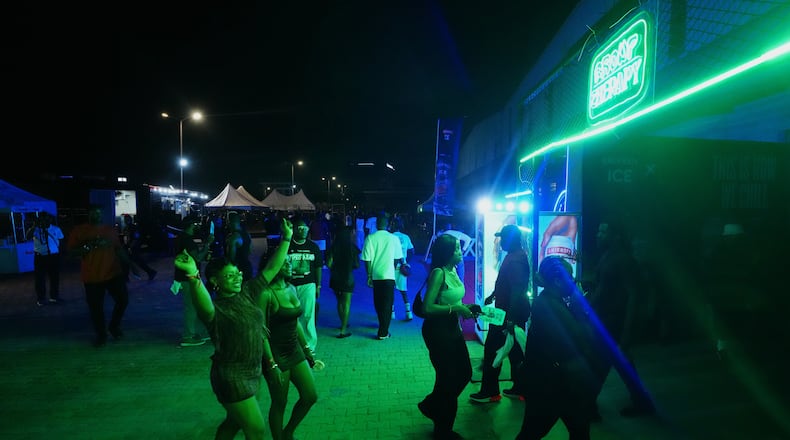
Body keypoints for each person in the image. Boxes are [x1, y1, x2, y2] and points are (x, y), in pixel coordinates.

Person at [173, 217, 292, 440]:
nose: (237, 278)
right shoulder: (217, 310)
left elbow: (272, 268)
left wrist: (287, 238)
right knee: (256, 429)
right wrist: (193, 274)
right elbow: (204, 304)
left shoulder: (247, 293)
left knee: (234, 422)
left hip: (252, 371)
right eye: (229, 276)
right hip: (231, 377)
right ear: (215, 282)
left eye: (237, 273)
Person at [516, 256, 606, 440]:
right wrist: (581, 308)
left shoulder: (554, 301)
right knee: (531, 433)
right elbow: (581, 340)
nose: (574, 282)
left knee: (579, 430)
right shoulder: (547, 305)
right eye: (570, 278)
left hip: (562, 383)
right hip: (549, 386)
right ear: (557, 281)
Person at [588, 220, 654, 419]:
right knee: (619, 365)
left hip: (614, 323)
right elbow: (604, 286)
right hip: (606, 321)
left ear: (615, 235)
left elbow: (633, 296)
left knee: (599, 365)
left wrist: (627, 332)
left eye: (603, 231)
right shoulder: (608, 256)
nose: (598, 234)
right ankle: (642, 402)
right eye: (599, 230)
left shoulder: (624, 260)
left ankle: (589, 406)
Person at [417, 234, 477, 439]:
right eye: (458, 250)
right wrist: (456, 308)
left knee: (464, 373)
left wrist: (465, 308)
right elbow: (427, 307)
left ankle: (433, 405)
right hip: (437, 332)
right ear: (447, 253)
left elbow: (453, 300)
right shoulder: (438, 273)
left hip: (452, 329)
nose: (462, 252)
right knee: (447, 378)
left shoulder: (454, 270)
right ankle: (443, 429)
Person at [257, 241, 318, 440]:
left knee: (310, 396)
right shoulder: (265, 293)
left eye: (290, 262)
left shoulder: (291, 287)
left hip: (294, 351)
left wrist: (307, 349)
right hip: (275, 355)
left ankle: (288, 432)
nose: (290, 265)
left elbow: (296, 322)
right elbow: (261, 332)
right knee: (279, 402)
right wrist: (271, 363)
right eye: (285, 263)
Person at [470, 224, 531, 403]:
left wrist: (510, 320)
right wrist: (493, 295)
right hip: (507, 313)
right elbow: (509, 285)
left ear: (510, 239)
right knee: (515, 352)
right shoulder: (514, 256)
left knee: (492, 350)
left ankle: (490, 391)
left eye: (503, 238)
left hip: (506, 315)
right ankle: (521, 388)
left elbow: (518, 291)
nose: (500, 241)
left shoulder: (515, 260)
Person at [67, 204, 131, 347]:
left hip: (113, 273)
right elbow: (71, 252)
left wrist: (131, 265)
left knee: (123, 300)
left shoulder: (110, 230)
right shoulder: (79, 231)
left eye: (99, 213)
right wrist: (88, 246)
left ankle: (114, 326)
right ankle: (101, 335)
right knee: (96, 308)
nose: (97, 215)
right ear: (88, 215)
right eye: (93, 213)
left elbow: (119, 250)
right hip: (92, 276)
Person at [361, 212, 403, 340]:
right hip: (389, 275)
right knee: (388, 302)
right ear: (388, 224)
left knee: (378, 302)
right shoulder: (394, 238)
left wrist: (368, 275)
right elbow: (397, 258)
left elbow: (366, 259)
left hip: (376, 275)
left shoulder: (370, 238)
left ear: (376, 224)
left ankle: (382, 326)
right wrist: (391, 266)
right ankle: (383, 331)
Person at [173, 217, 215, 347]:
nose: (197, 227)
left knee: (196, 306)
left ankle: (196, 332)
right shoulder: (187, 240)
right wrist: (207, 244)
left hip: (184, 277)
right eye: (195, 224)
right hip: (188, 278)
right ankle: (188, 336)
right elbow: (197, 258)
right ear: (190, 225)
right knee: (191, 307)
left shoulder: (182, 238)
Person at [287, 217, 323, 354]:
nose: (303, 231)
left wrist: (318, 286)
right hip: (290, 285)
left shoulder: (313, 247)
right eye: (300, 228)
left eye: (305, 228)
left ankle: (309, 346)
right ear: (294, 230)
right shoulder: (288, 245)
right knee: (291, 316)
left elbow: (318, 267)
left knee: (308, 315)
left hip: (308, 284)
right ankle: (293, 343)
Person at [326, 225, 360, 338]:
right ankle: (343, 329)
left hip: (335, 277)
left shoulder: (333, 246)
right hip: (348, 278)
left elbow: (328, 264)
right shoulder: (352, 247)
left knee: (339, 302)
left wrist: (335, 268)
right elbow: (356, 265)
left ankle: (342, 323)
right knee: (346, 303)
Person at [29, 212, 65, 306]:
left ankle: (54, 297)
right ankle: (41, 299)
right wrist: (34, 226)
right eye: (43, 218)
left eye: (47, 218)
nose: (45, 220)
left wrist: (59, 253)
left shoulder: (56, 229)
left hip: (53, 256)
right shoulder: (36, 229)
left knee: (54, 278)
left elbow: (61, 241)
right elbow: (27, 236)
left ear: (50, 219)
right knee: (40, 279)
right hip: (40, 257)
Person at [391, 218, 415, 321]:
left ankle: (392, 313)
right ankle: (408, 313)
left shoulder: (390, 237)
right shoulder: (406, 237)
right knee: (403, 290)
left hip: (391, 266)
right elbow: (412, 251)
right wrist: (406, 262)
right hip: (402, 267)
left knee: (391, 290)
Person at [121, 214, 157, 281]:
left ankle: (150, 272)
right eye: (125, 219)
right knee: (128, 261)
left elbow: (136, 237)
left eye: (127, 219)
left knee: (136, 261)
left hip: (133, 247)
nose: (126, 221)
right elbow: (126, 237)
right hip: (129, 247)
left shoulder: (133, 227)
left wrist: (131, 246)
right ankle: (125, 277)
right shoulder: (126, 228)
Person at [225, 211, 253, 282]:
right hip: (247, 266)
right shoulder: (247, 234)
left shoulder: (234, 237)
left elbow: (231, 257)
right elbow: (250, 251)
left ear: (229, 221)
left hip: (237, 269)